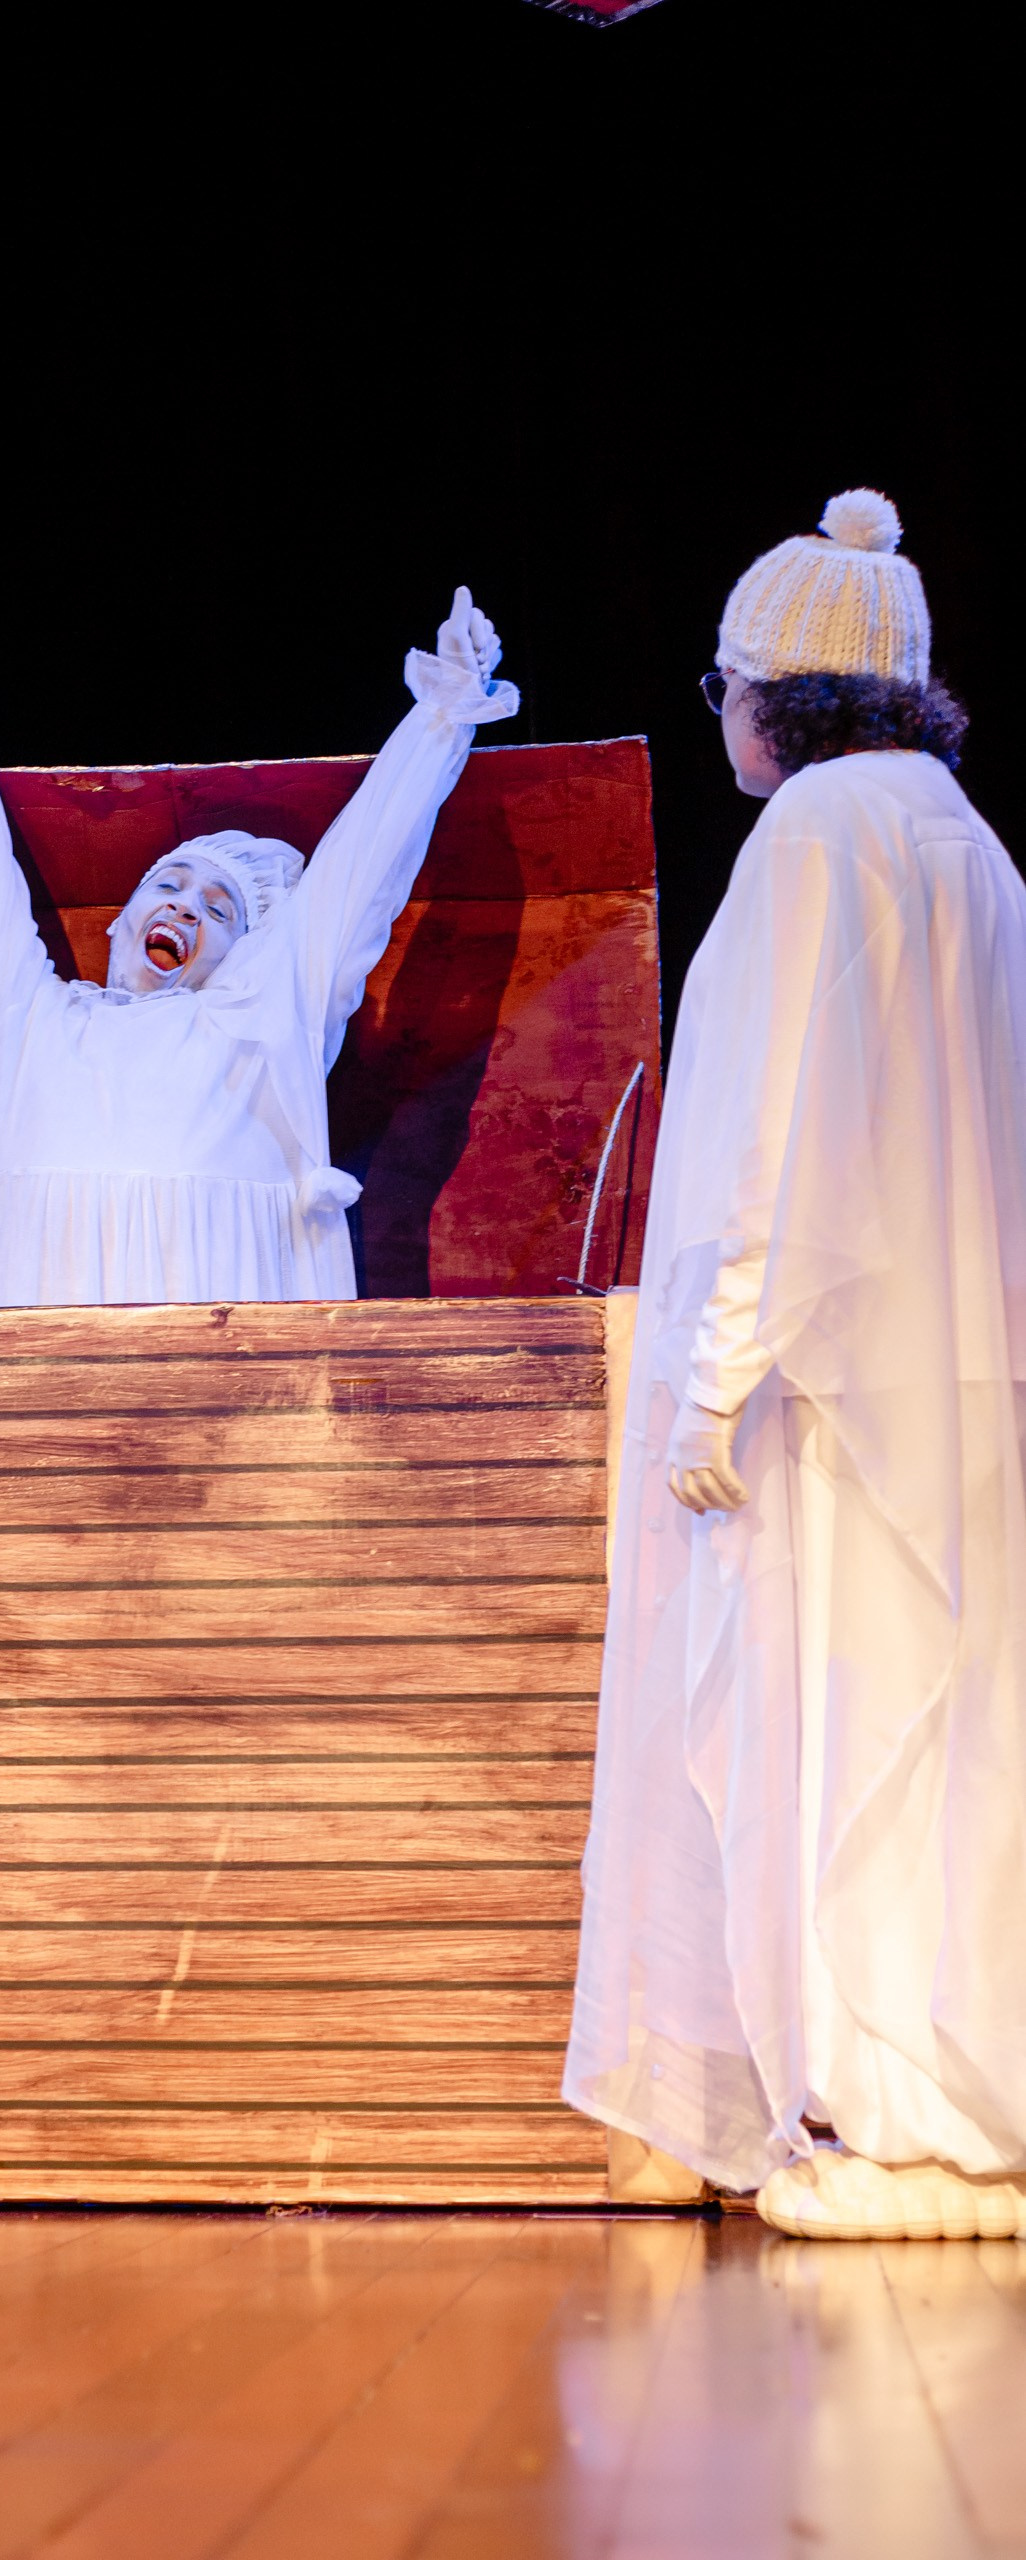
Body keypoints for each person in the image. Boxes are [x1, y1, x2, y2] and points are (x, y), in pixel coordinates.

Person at [565, 490, 1026, 2240]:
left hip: (827, 1383)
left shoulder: (820, 832)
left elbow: (770, 1127)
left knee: (840, 1741)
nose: (724, 718)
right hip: (953, 1372)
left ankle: (904, 2120)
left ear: (777, 692)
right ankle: (952, 2105)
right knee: (948, 1739)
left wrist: (714, 1368)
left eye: (726, 684)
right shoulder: (963, 837)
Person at [0, 564, 516, 1308]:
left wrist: (442, 715)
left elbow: (357, 880)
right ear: (120, 920)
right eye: (169, 886)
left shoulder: (259, 1023)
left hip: (210, 1330)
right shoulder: (22, 1019)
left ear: (248, 955)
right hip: (36, 1330)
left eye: (219, 912)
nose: (185, 908)